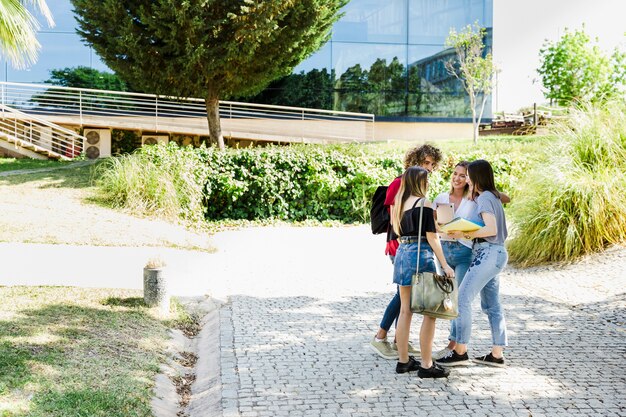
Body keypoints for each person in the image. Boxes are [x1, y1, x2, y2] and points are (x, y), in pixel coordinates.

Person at [370, 144, 443, 360]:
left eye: (432, 164)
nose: (429, 168)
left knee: (405, 299)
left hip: (405, 244)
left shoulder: (416, 188)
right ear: (414, 161)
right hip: (401, 244)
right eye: (425, 163)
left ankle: (398, 343)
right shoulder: (399, 183)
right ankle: (381, 336)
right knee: (405, 299)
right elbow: (394, 216)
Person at [435, 159, 509, 368]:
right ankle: (496, 354)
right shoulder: (491, 196)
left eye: (468, 176)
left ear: (476, 177)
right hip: (496, 253)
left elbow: (491, 228)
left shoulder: (485, 198)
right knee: (492, 305)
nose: (465, 179)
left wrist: (464, 232)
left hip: (487, 254)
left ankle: (460, 352)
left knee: (462, 299)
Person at [391, 166, 453, 378]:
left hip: (402, 254)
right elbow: (432, 237)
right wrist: (445, 265)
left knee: (405, 311)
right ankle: (427, 365)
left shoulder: (398, 205)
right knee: (430, 313)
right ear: (421, 182)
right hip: (420, 254)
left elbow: (398, 235)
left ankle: (403, 361)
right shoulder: (423, 203)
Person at [431, 161, 481, 360]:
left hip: (464, 252)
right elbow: (432, 223)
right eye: (455, 174)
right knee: (449, 299)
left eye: (463, 175)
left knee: (459, 299)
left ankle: (457, 345)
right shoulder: (441, 198)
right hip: (444, 251)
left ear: (468, 179)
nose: (457, 178)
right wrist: (440, 224)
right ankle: (453, 342)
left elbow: (500, 200)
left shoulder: (474, 200)